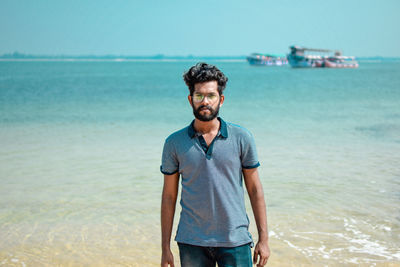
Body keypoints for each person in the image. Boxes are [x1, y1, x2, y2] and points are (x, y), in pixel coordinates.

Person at [160, 63, 270, 267]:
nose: (205, 102)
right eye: (199, 96)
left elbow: (255, 190)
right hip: (191, 241)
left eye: (211, 96)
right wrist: (165, 247)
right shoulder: (174, 143)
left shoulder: (242, 138)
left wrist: (264, 240)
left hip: (235, 240)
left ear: (221, 99)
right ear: (190, 99)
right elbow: (169, 197)